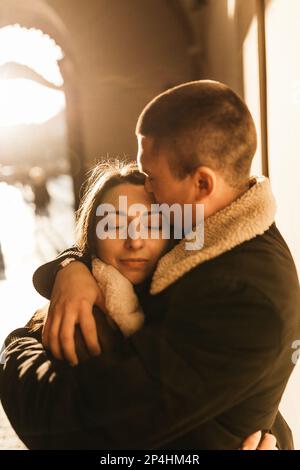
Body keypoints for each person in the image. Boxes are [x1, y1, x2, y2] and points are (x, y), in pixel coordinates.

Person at [1, 80, 299, 450]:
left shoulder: (240, 293)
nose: (150, 190)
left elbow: (74, 426)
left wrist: (17, 345)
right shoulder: (203, 238)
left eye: (153, 178)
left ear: (202, 183)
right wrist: (70, 267)